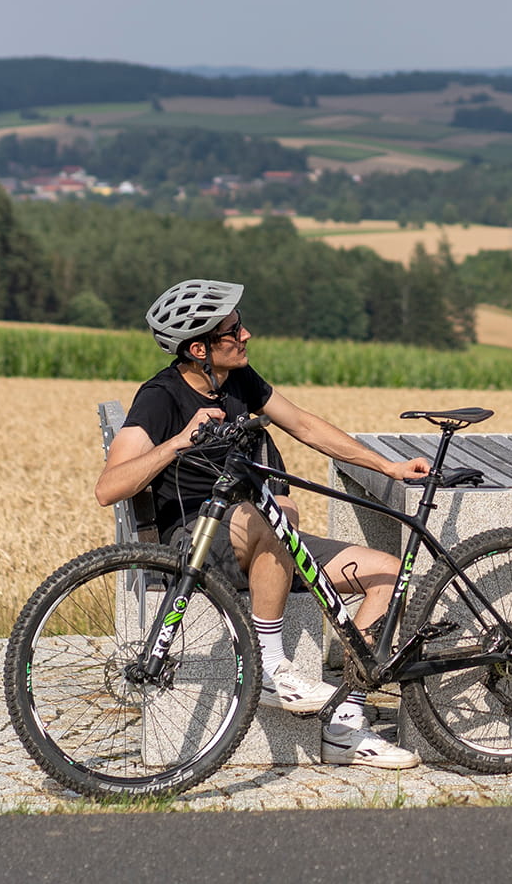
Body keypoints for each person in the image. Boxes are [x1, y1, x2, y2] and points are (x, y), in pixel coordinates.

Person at [96, 278, 433, 770]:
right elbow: (109, 488)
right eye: (233, 331)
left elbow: (304, 425)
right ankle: (271, 666)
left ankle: (344, 729)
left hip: (266, 541)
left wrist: (388, 467)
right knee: (276, 514)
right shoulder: (161, 396)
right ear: (199, 348)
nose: (247, 335)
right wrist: (179, 441)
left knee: (388, 574)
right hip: (200, 543)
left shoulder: (237, 380)